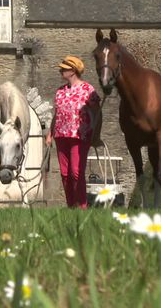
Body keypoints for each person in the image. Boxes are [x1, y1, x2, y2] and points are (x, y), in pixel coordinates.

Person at [46, 55, 101, 209]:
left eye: (64, 68)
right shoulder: (60, 91)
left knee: (76, 172)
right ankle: (71, 206)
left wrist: (95, 132)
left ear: (73, 71)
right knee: (65, 174)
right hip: (61, 135)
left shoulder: (88, 89)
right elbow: (57, 114)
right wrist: (50, 133)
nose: (60, 70)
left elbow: (97, 111)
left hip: (79, 136)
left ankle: (82, 206)